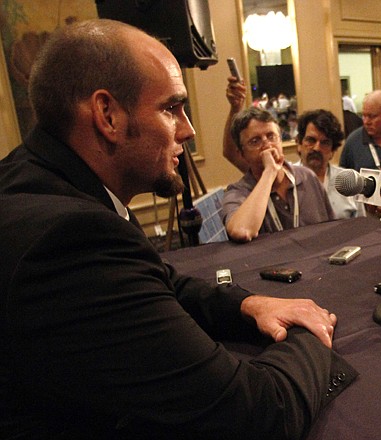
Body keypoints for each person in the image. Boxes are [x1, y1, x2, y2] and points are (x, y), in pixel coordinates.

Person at [0, 19, 357, 438]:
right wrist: (308, 334)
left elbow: (156, 276)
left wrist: (247, 305)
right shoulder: (71, 238)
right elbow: (258, 414)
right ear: (107, 115)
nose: (188, 130)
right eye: (172, 108)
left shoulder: (37, 178)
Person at [222, 107, 334, 242]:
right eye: (255, 141)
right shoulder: (238, 193)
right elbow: (241, 231)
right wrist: (269, 172)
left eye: (271, 136)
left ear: (280, 140)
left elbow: (331, 229)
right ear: (242, 154)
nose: (267, 145)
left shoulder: (307, 177)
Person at [295, 109, 365, 219]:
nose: (317, 148)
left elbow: (361, 226)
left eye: (325, 143)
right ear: (299, 143)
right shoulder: (287, 181)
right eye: (311, 140)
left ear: (332, 151)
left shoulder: (349, 181)